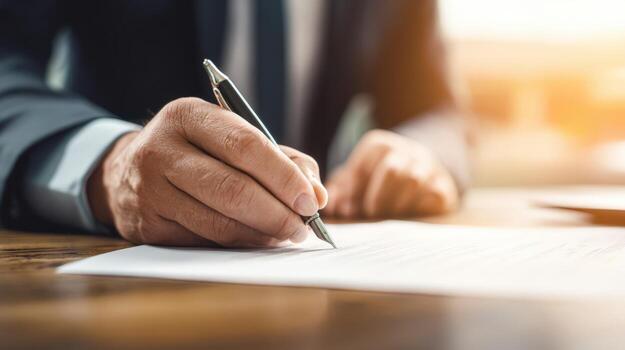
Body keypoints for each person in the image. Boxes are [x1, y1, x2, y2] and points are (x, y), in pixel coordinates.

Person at [0, 0, 469, 247]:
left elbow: (435, 107)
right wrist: (111, 164)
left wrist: (421, 151)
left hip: (304, 276)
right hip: (122, 274)